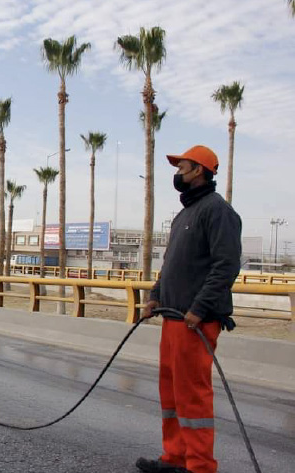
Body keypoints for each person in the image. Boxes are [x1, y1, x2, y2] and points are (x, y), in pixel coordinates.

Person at [136, 145, 242, 473]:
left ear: (198, 170)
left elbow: (226, 266)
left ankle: (199, 466)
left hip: (195, 321)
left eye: (181, 167)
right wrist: (155, 295)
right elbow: (170, 265)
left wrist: (200, 307)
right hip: (172, 316)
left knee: (192, 397)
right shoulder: (185, 214)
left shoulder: (217, 211)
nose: (177, 172)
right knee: (171, 394)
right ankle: (175, 458)